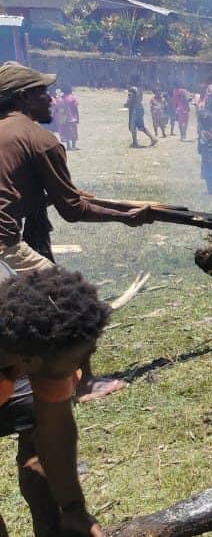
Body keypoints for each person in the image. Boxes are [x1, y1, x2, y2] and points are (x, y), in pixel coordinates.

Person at [0, 62, 152, 402]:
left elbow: (24, 190)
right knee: (75, 303)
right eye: (42, 93)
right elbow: (72, 210)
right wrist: (126, 217)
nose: (51, 99)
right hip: (2, 244)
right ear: (23, 98)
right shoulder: (39, 139)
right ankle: (84, 383)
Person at [0, 265, 113, 536]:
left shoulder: (42, 329)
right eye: (80, 358)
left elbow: (55, 427)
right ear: (29, 361)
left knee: (35, 432)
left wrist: (74, 509)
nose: (84, 366)